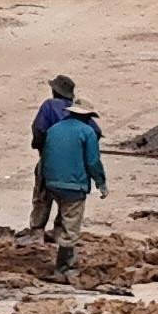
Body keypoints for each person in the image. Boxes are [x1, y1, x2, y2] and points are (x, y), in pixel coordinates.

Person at [35, 92, 108, 281]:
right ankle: (64, 267)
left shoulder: (54, 129)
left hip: (51, 183)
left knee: (63, 213)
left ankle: (52, 243)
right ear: (86, 116)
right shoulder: (87, 132)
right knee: (71, 226)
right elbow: (92, 162)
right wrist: (101, 183)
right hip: (74, 187)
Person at [25, 77, 83, 236]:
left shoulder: (49, 106)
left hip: (50, 159)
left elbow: (39, 129)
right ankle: (60, 231)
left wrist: (40, 146)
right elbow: (95, 132)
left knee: (42, 194)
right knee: (68, 200)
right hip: (74, 164)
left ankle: (37, 230)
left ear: (55, 91)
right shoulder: (79, 110)